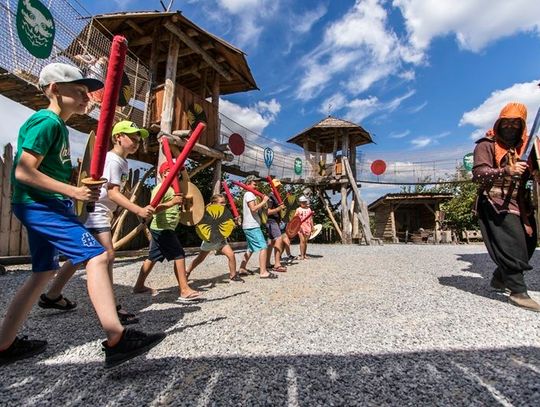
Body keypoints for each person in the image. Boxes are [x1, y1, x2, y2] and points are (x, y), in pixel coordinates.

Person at [0, 63, 165, 367]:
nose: (86, 98)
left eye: (87, 93)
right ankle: (117, 337)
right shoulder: (47, 121)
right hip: (40, 204)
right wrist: (73, 191)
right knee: (98, 256)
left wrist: (72, 191)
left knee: (43, 273)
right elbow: (23, 172)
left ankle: (3, 345)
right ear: (54, 90)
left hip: (44, 204)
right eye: (78, 92)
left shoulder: (57, 126)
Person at [38, 120, 155, 325]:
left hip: (98, 213)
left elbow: (110, 189)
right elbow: (111, 192)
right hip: (95, 213)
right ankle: (112, 308)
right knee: (107, 256)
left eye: (139, 139)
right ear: (118, 137)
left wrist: (122, 196)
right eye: (132, 137)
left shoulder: (121, 161)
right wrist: (138, 209)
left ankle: (52, 296)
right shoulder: (114, 160)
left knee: (80, 255)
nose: (137, 142)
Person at [472, 102, 539, 312]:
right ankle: (518, 292)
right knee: (511, 244)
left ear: (522, 126)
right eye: (506, 122)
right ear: (499, 123)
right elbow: (479, 173)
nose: (510, 127)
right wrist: (506, 171)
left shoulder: (530, 145)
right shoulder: (486, 144)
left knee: (528, 244)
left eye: (515, 123)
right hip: (495, 200)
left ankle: (500, 277)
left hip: (520, 200)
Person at [133, 161, 203, 302]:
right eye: (174, 172)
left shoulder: (173, 189)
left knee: (152, 257)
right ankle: (184, 290)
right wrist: (172, 203)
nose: (177, 175)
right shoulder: (161, 188)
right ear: (165, 173)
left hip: (163, 228)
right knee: (179, 255)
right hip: (162, 228)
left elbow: (187, 181)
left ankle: (139, 286)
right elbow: (152, 209)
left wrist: (181, 168)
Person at [186, 194, 244, 282]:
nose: (224, 204)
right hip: (210, 241)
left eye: (225, 202)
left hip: (221, 241)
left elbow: (226, 227)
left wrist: (235, 223)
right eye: (221, 202)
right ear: (214, 203)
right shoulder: (207, 212)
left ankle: (233, 275)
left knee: (231, 255)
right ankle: (187, 272)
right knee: (200, 259)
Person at [238, 175, 277, 279]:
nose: (256, 186)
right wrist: (264, 201)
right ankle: (263, 272)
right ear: (248, 184)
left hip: (249, 225)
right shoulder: (249, 194)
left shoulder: (249, 194)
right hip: (252, 225)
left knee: (250, 248)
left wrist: (264, 202)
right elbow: (253, 209)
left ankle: (242, 268)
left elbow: (258, 210)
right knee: (263, 247)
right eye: (254, 184)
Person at [265, 179, 287, 272]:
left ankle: (267, 263)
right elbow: (268, 212)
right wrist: (279, 208)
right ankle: (277, 264)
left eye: (279, 186)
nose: (278, 188)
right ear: (271, 186)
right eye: (276, 186)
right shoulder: (270, 197)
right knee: (279, 239)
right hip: (271, 221)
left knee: (271, 243)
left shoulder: (275, 196)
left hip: (275, 221)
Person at [295, 195, 314, 260]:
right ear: (300, 202)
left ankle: (305, 254)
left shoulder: (309, 209)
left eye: (304, 202)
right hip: (301, 227)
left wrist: (312, 227)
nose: (303, 203)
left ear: (306, 202)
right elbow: (295, 218)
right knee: (302, 241)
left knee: (305, 241)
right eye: (302, 202)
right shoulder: (298, 209)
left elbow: (311, 219)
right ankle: (302, 255)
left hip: (308, 227)